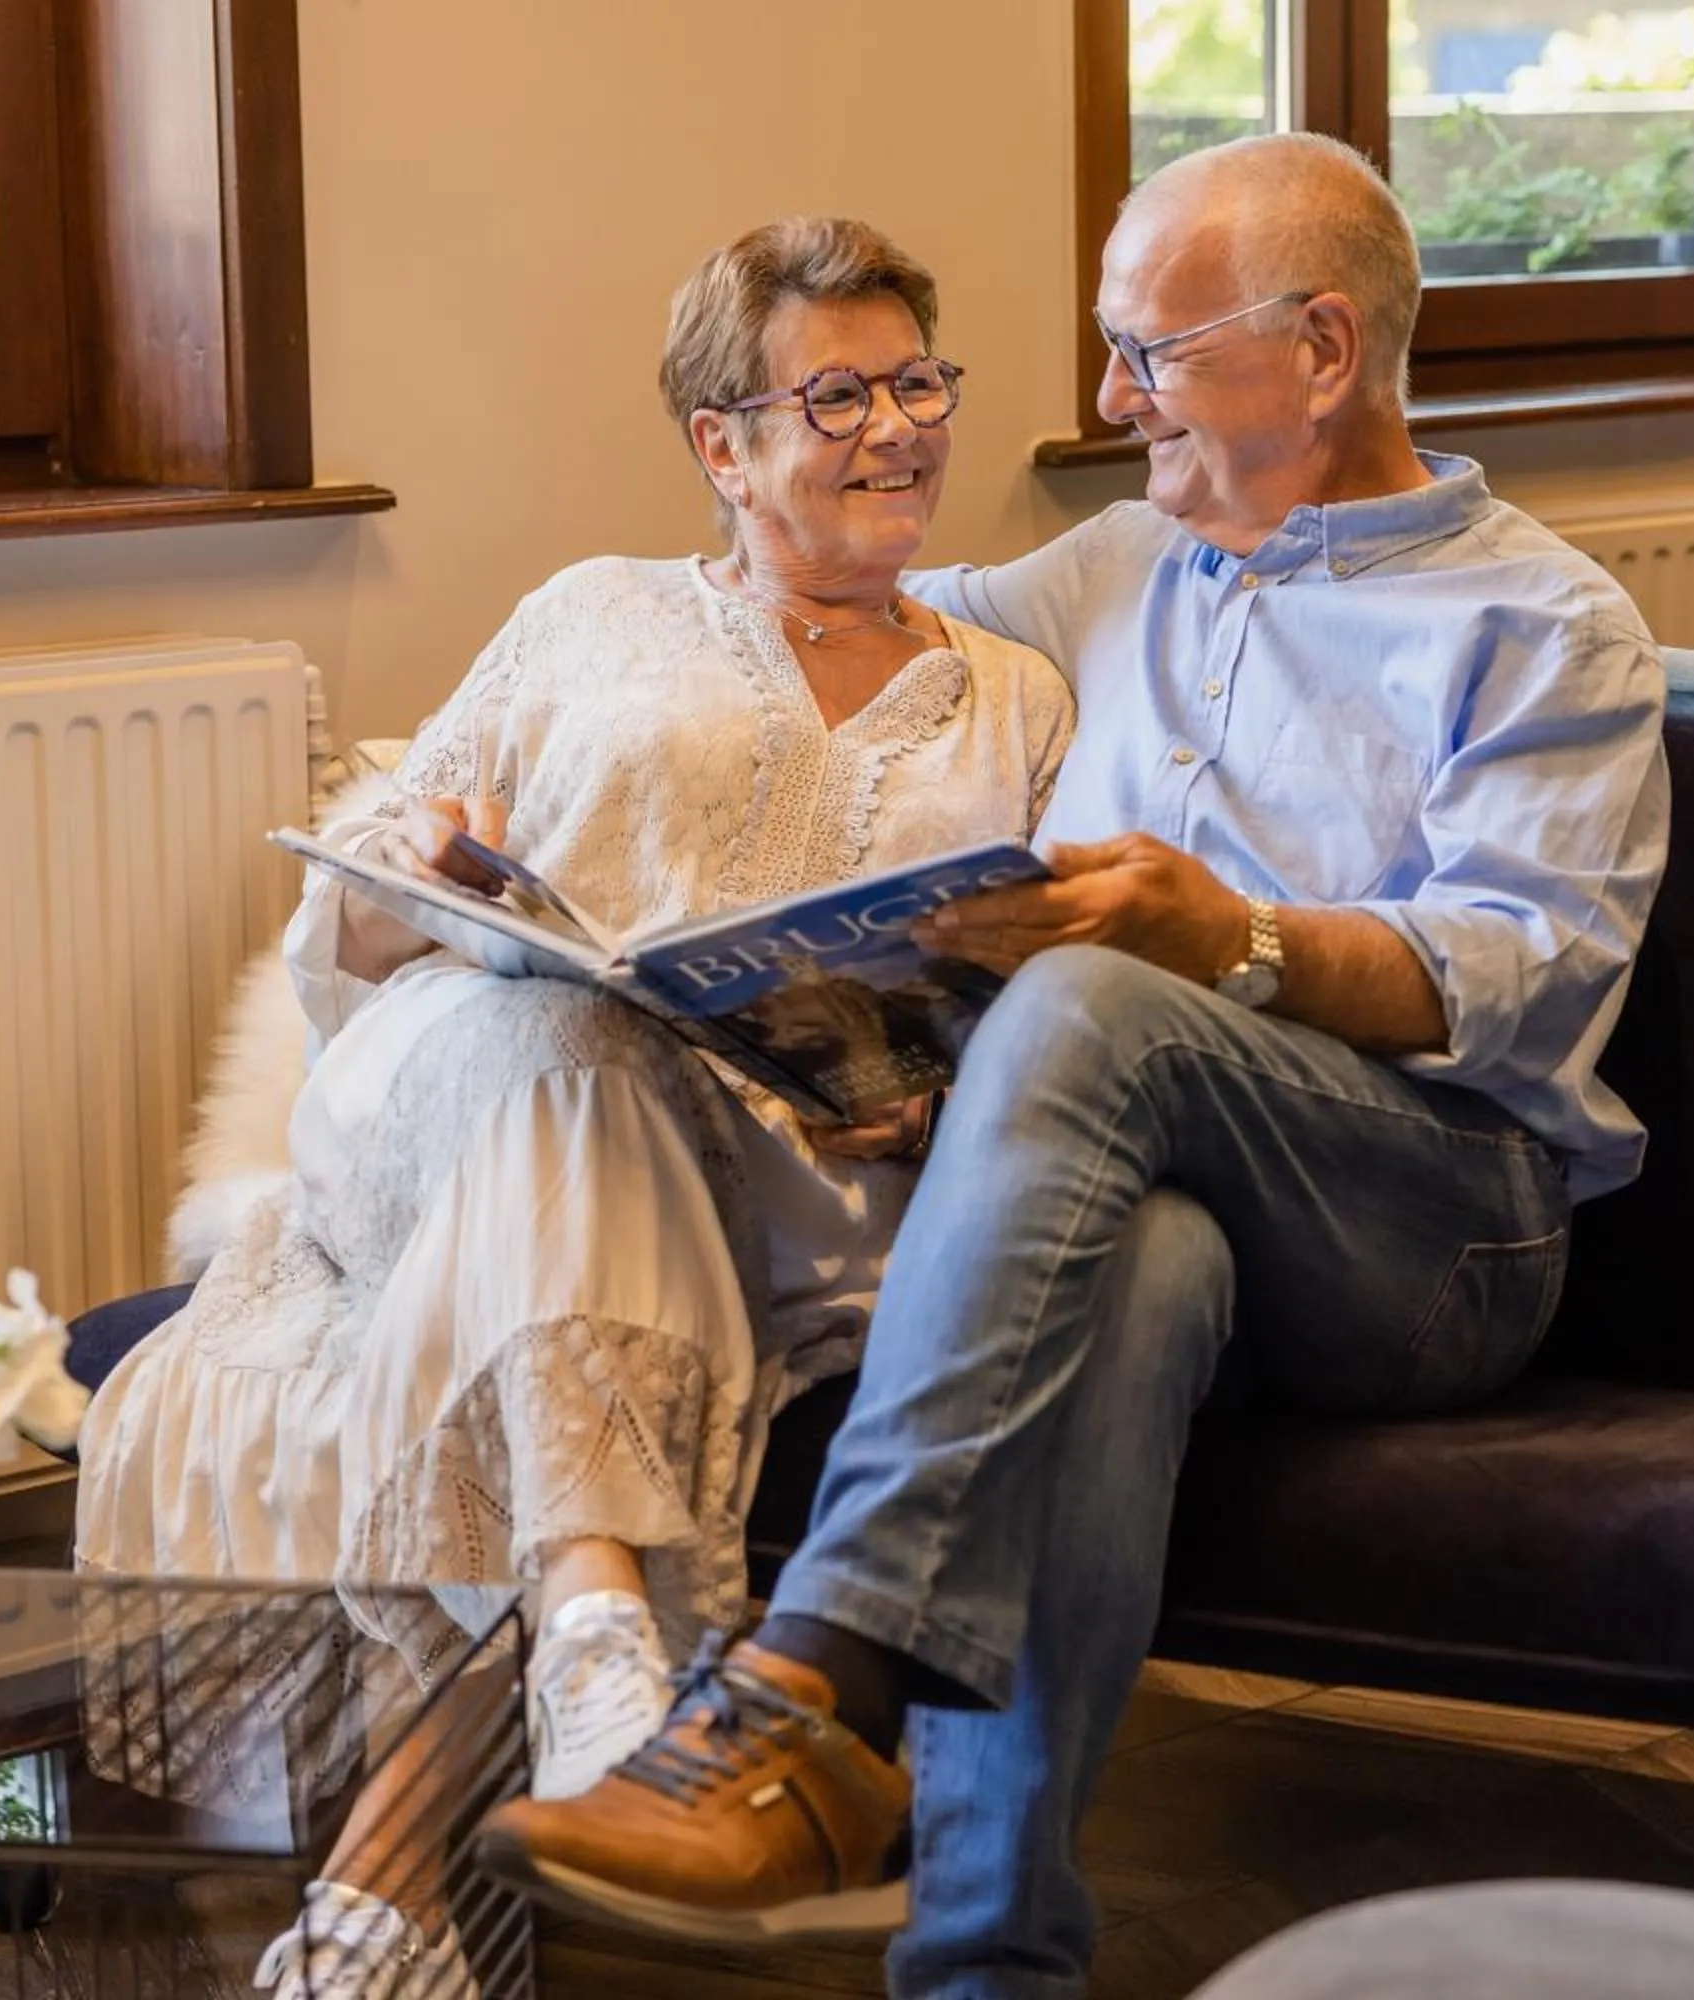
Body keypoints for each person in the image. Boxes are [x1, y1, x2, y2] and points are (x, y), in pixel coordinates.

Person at [475, 131, 1674, 2000]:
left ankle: (812, 1682)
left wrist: (1235, 944)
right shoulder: (1113, 572)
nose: (1108, 399)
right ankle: (988, 1962)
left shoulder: (1545, 625)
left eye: (1151, 350)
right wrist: (540, 757)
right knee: (1138, 1267)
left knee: (1102, 997)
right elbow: (830, 619)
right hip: (1181, 1208)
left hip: (1440, 1230)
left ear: (1326, 353)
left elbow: (1523, 976)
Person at [71, 216, 1075, 1996]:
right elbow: (360, 935)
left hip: (798, 1180)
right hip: (456, 1097)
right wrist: (403, 862)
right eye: (836, 392)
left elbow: (1039, 995)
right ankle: (600, 1634)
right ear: (724, 444)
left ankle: (391, 1896)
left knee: (582, 1239)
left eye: (919, 381)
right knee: (578, 1056)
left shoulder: (1021, 696)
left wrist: (921, 1094)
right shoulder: (590, 613)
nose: (897, 426)